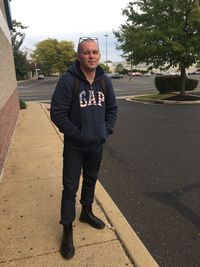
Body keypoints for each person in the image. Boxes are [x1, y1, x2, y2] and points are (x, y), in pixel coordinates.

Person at [50, 37, 117, 260]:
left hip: (96, 144)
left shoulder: (105, 81)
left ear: (99, 55)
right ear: (79, 55)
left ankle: (86, 212)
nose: (91, 56)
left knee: (91, 179)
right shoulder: (68, 81)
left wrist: (105, 131)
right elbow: (57, 113)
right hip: (75, 146)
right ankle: (67, 229)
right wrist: (79, 135)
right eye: (86, 52)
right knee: (70, 187)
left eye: (95, 52)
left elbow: (112, 109)